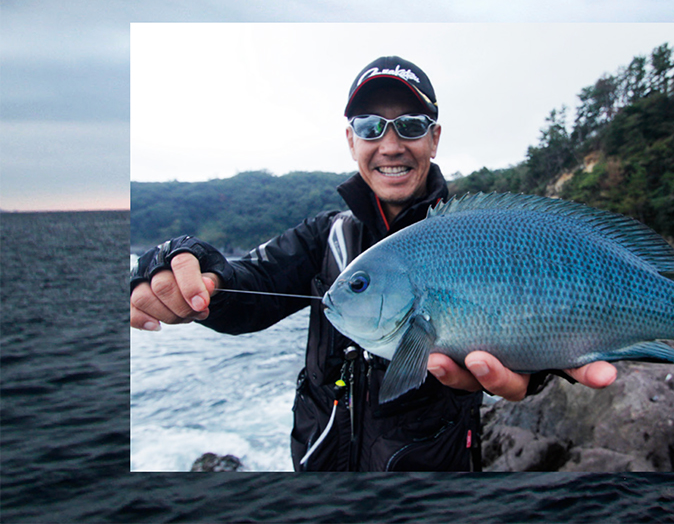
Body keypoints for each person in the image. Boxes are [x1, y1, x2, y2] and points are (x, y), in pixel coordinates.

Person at [129, 56, 614, 471]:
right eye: (369, 126)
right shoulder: (323, 237)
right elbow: (246, 290)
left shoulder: (481, 233)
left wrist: (544, 367)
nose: (390, 144)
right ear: (350, 140)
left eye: (410, 125)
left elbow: (542, 302)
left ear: (435, 138)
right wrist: (178, 261)